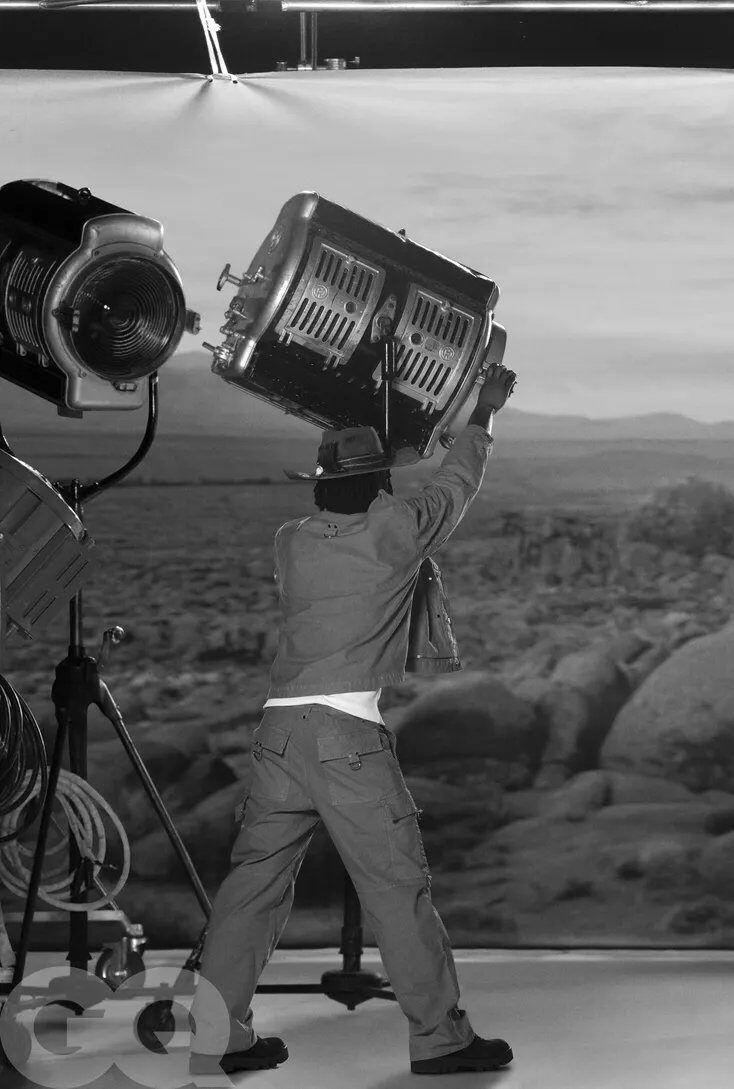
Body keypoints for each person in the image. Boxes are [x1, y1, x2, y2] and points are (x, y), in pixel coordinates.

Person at [192, 363, 519, 1076]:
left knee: (252, 887)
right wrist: (484, 411)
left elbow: (358, 509)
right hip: (344, 738)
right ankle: (441, 1037)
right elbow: (456, 484)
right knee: (396, 889)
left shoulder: (292, 541)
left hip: (278, 735)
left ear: (319, 483)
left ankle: (218, 1034)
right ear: (378, 485)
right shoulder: (394, 532)